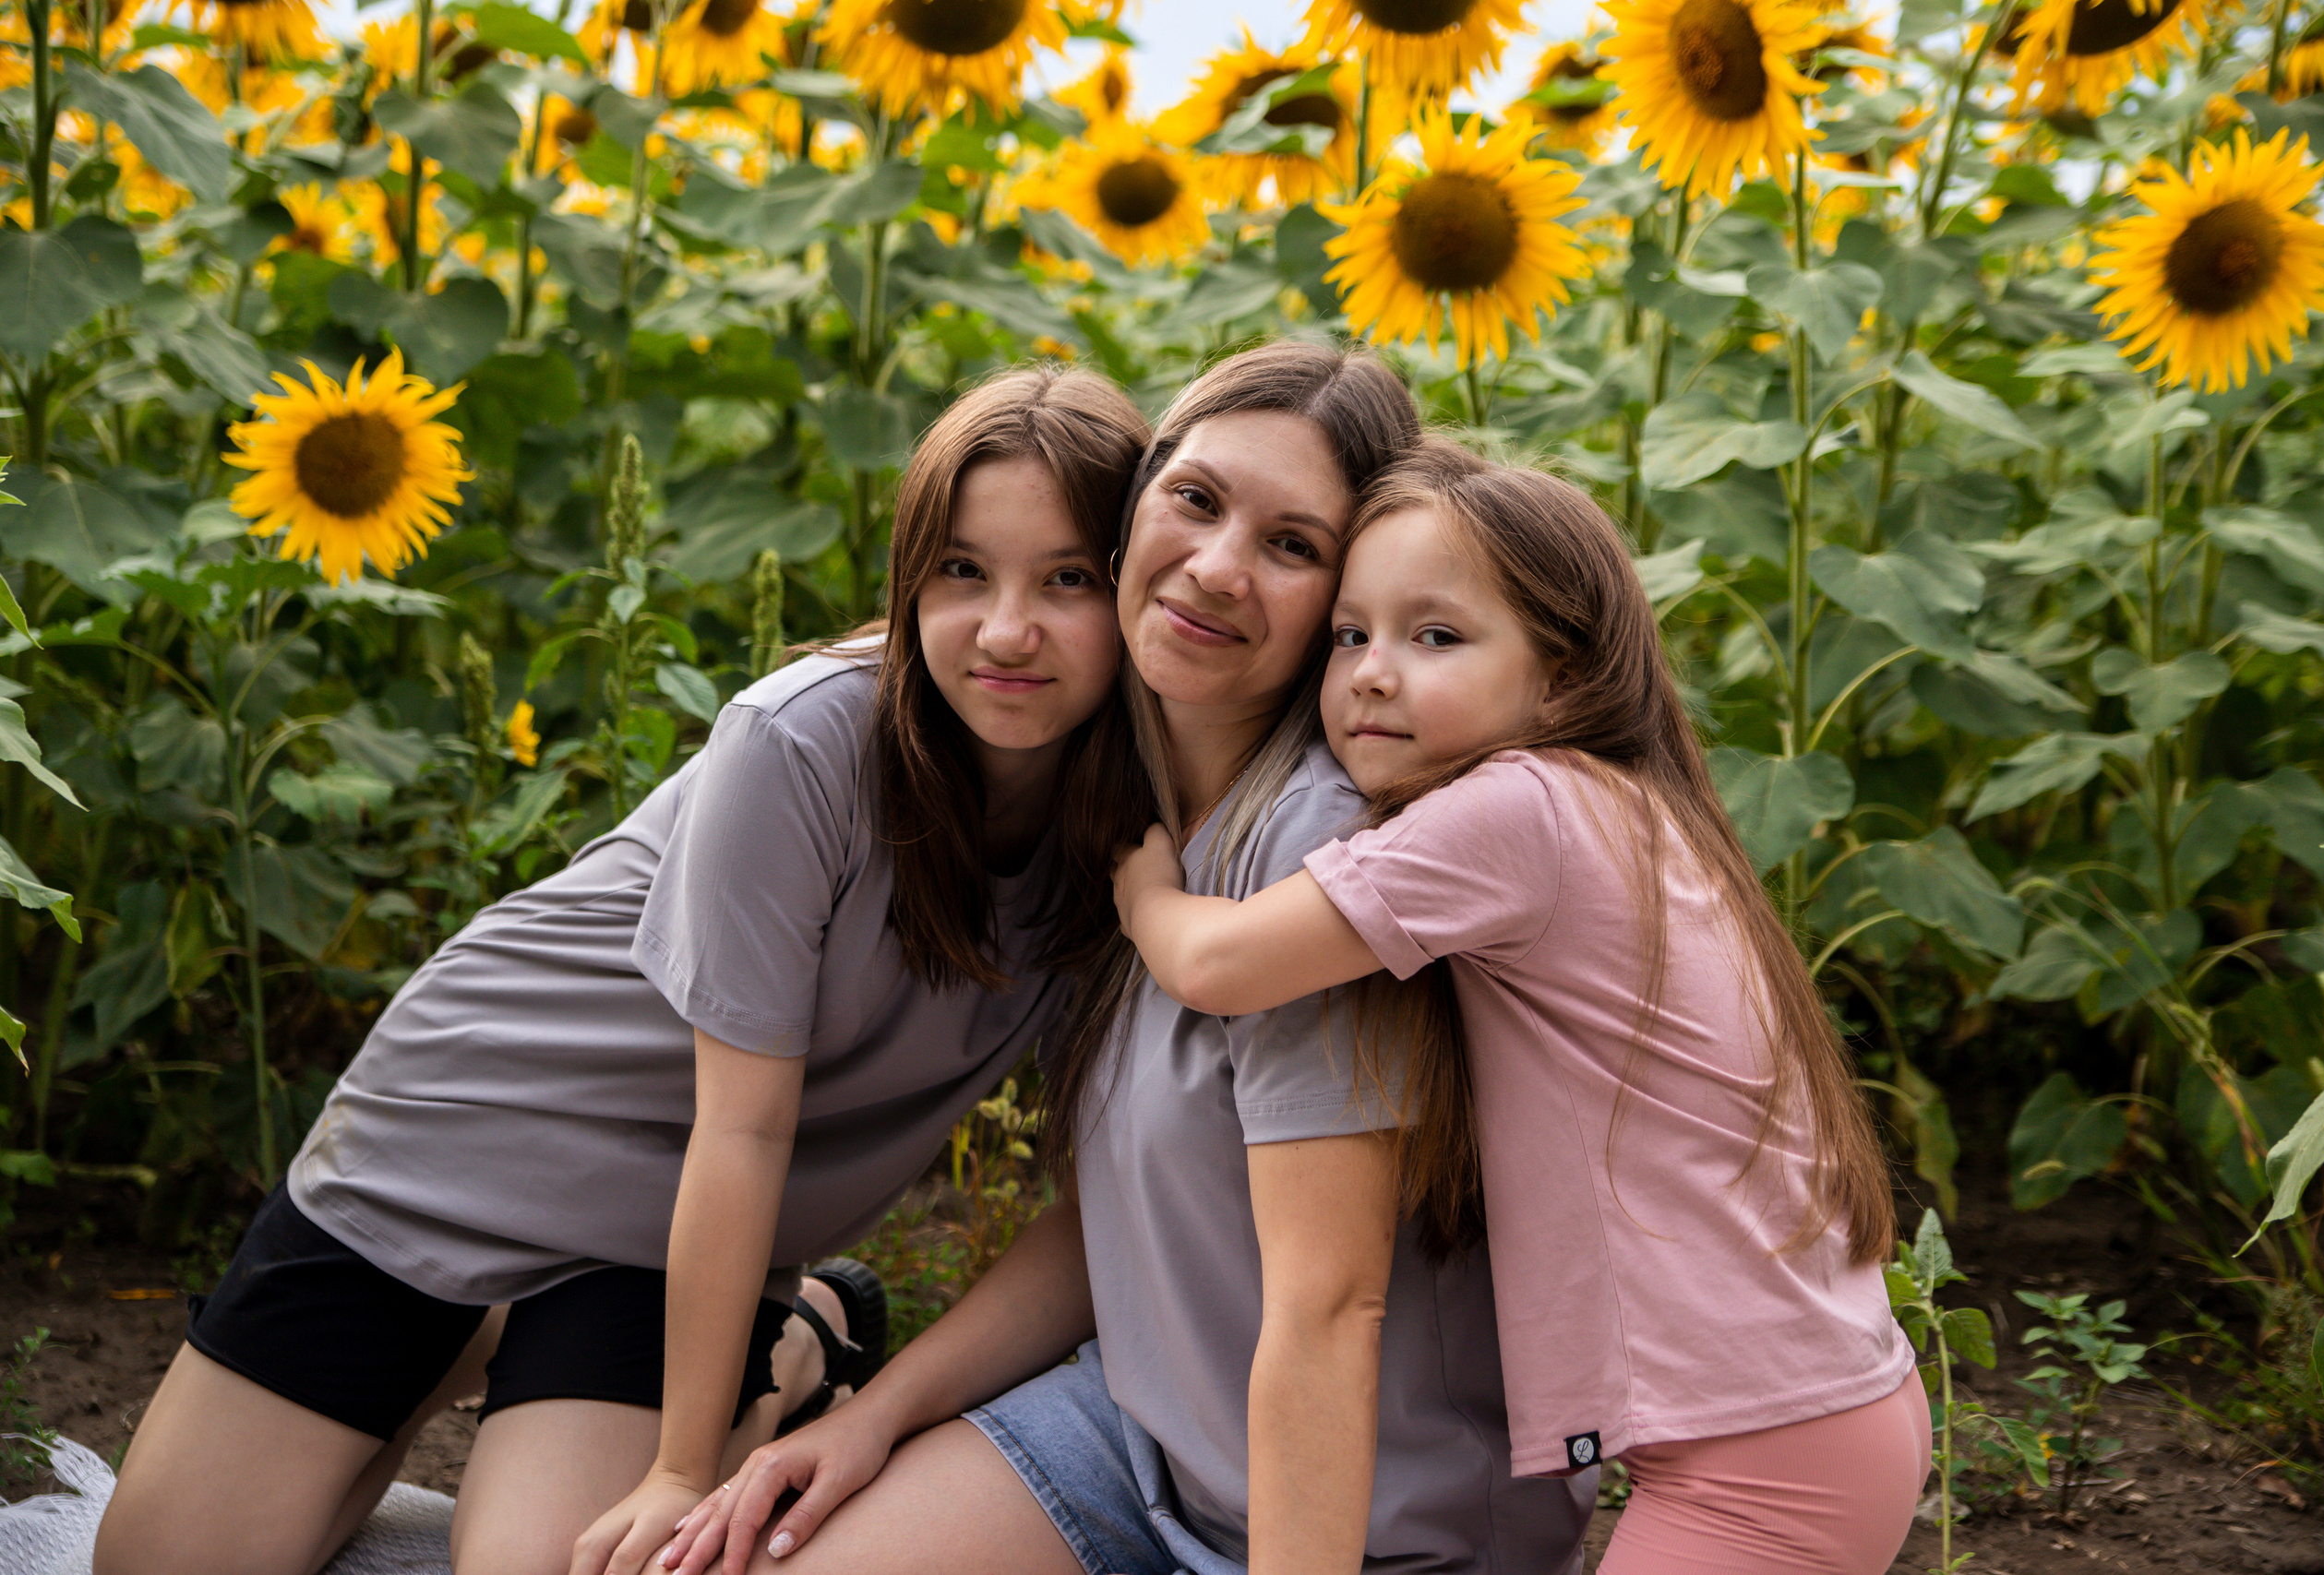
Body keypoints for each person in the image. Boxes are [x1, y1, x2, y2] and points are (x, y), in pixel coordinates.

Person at [91, 364, 1152, 1575]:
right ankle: (486, 1335)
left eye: (1068, 578)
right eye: (962, 569)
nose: (1006, 629)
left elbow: (1099, 1202)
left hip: (665, 1242)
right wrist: (684, 1473)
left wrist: (680, 1475)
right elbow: (743, 1123)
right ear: (911, 574)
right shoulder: (800, 737)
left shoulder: (1143, 833)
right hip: (457, 1144)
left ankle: (795, 1337)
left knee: (558, 1567)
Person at [660, 342, 1590, 1575]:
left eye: (1291, 544)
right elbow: (1125, 1223)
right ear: (1134, 508)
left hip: (1362, 1525)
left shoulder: (1317, 857)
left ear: (1346, 595)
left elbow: (1327, 1309)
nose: (1216, 567)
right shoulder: (1127, 811)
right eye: (1196, 499)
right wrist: (878, 1416)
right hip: (1140, 1440)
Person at [1110, 437, 1927, 1575]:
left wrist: (1144, 891)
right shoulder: (1619, 805)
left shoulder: (1515, 812)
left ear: (1562, 679)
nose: (1371, 674)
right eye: (1350, 635)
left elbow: (1221, 965)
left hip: (1766, 1461)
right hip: (1813, 1413)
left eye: (1435, 637)